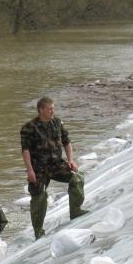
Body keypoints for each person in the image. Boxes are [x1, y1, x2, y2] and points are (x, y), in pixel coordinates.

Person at [20, 97, 87, 239]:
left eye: (53, 108)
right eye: (49, 109)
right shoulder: (29, 127)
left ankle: (75, 211)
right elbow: (25, 150)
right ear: (40, 110)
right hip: (38, 168)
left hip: (56, 164)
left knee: (77, 178)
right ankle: (38, 231)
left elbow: (67, 142)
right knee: (38, 197)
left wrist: (71, 161)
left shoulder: (57, 123)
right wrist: (30, 170)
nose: (52, 111)